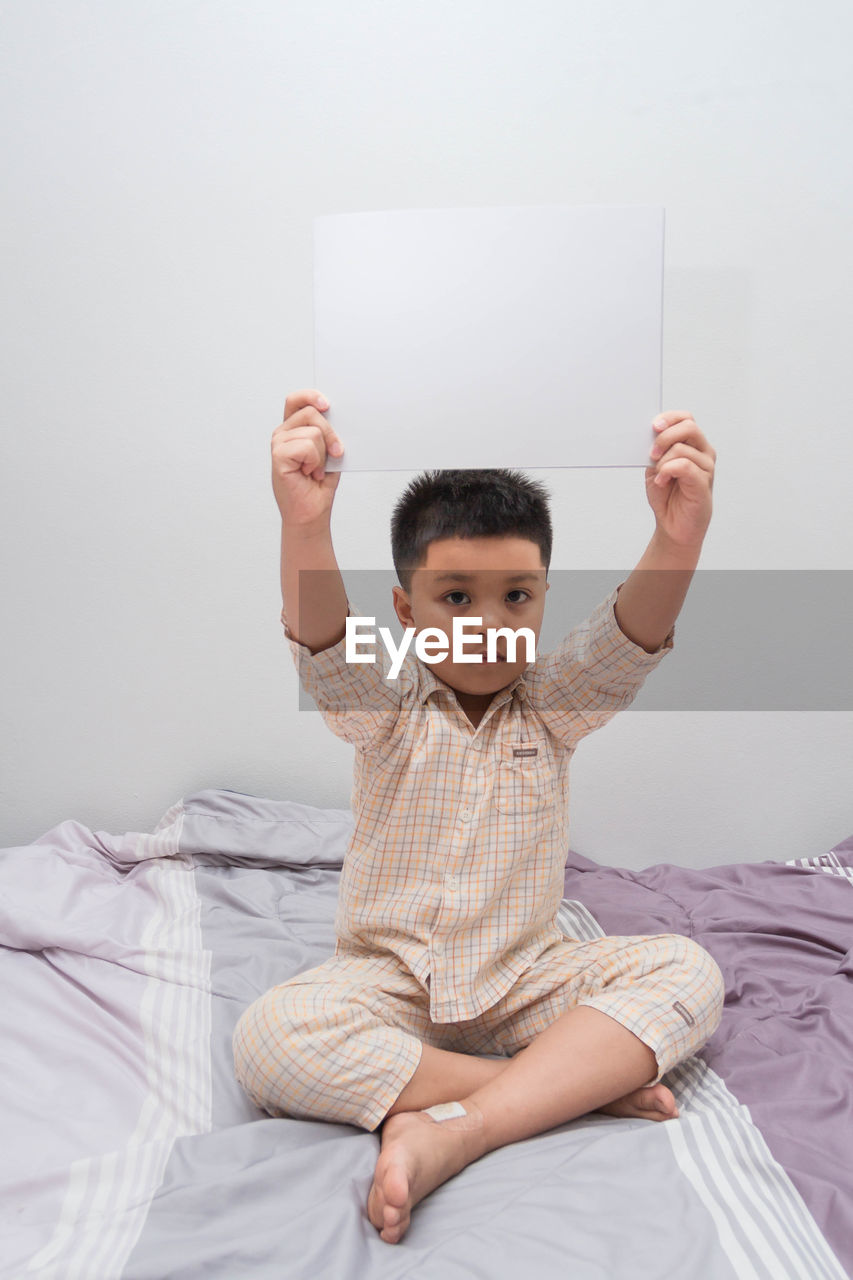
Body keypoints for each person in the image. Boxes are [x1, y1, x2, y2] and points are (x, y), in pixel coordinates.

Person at [233, 388, 725, 1246]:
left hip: (520, 979)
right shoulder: (383, 711)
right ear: (407, 612)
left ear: (540, 600)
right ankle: (566, 1085)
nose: (489, 626)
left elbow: (627, 637)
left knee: (689, 973)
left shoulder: (553, 707)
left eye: (516, 597)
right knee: (270, 1039)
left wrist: (677, 537)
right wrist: (304, 523)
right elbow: (321, 643)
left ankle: (463, 1125)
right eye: (455, 597)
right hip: (389, 984)